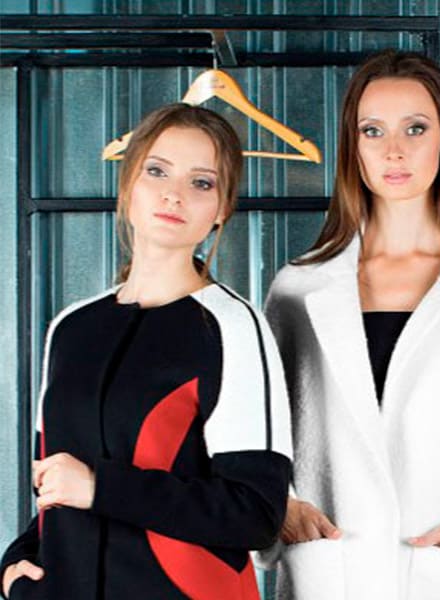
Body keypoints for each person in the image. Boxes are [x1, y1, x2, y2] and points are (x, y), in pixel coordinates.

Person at [263, 50, 440, 600]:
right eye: (372, 131)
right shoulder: (298, 289)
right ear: (353, 146)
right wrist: (284, 508)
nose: (393, 150)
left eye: (415, 128)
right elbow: (265, 439)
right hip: (331, 575)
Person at [0, 103, 293, 600]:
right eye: (157, 171)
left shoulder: (232, 327)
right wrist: (14, 564)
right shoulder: (71, 328)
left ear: (221, 210)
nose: (174, 194)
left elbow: (255, 513)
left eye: (201, 182)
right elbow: (53, 484)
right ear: (128, 185)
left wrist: (99, 488)